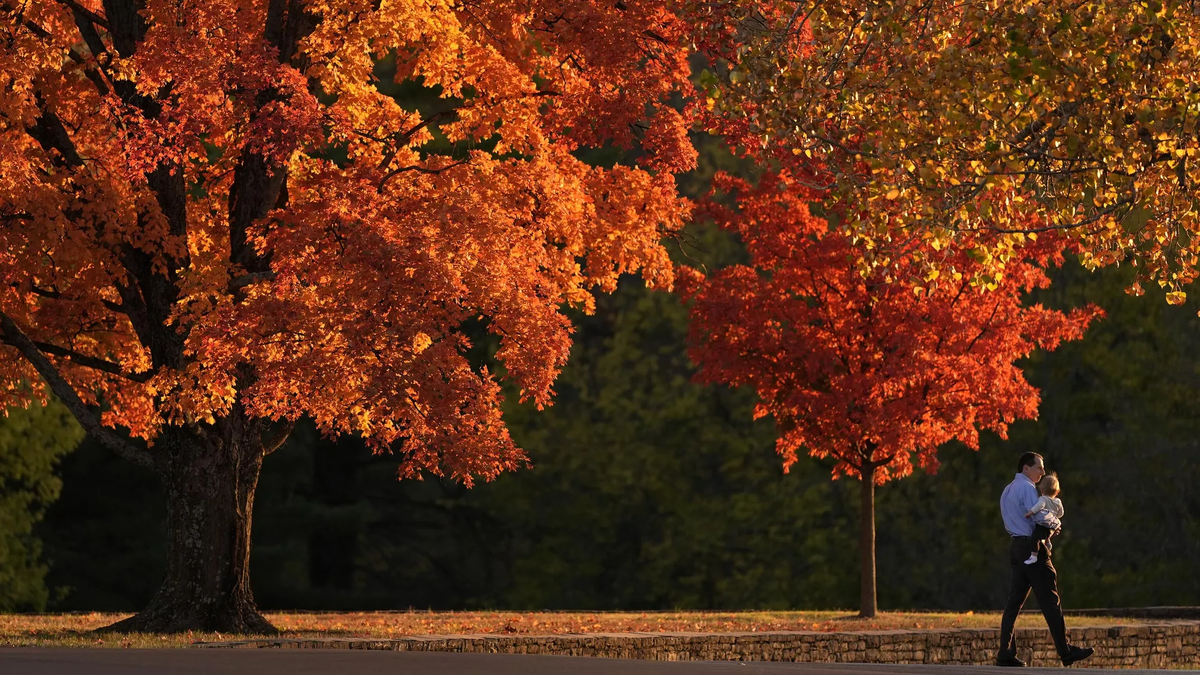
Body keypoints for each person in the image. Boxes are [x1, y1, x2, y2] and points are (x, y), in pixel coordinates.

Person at [997, 452, 1094, 667]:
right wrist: (1056, 524)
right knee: (1051, 600)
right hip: (1032, 547)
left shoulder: (1007, 490)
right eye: (1039, 467)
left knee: (1014, 602)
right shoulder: (1029, 489)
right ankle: (1065, 650)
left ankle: (1005, 651)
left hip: (1016, 546)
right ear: (1025, 468)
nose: (1042, 472)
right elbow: (1041, 516)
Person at [1022, 473, 1064, 564]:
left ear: (1042, 490)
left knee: (1035, 538)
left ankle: (1033, 556)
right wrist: (1054, 516)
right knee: (1046, 534)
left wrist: (1030, 512)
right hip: (1052, 527)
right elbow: (1061, 513)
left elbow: (1039, 506)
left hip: (1043, 526)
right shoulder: (1058, 501)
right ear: (1057, 492)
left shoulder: (1043, 499)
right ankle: (1048, 542)